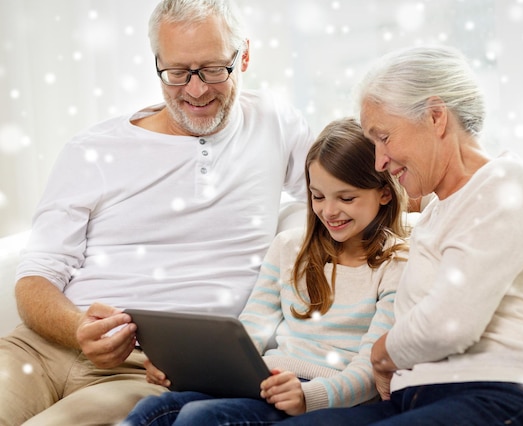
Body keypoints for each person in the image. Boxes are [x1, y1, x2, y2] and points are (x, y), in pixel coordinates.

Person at [0, 0, 314, 424]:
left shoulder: (276, 124)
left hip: (147, 371)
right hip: (38, 349)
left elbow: (357, 188)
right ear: (157, 64)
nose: (196, 90)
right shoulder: (92, 149)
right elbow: (36, 276)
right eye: (178, 72)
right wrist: (76, 328)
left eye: (214, 69)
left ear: (245, 56)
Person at [278, 46, 523, 425]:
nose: (379, 162)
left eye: (384, 137)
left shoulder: (507, 184)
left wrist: (381, 354)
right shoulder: (439, 211)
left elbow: (449, 325)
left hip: (505, 392)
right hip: (421, 399)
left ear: (436, 117)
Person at [122, 117, 409, 425]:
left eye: (346, 198)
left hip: (325, 393)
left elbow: (371, 367)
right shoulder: (288, 247)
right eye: (318, 196)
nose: (328, 211)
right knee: (151, 411)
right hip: (265, 380)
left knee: (200, 417)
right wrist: (182, 369)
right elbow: (250, 331)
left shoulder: (398, 264)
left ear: (384, 193)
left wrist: (307, 397)